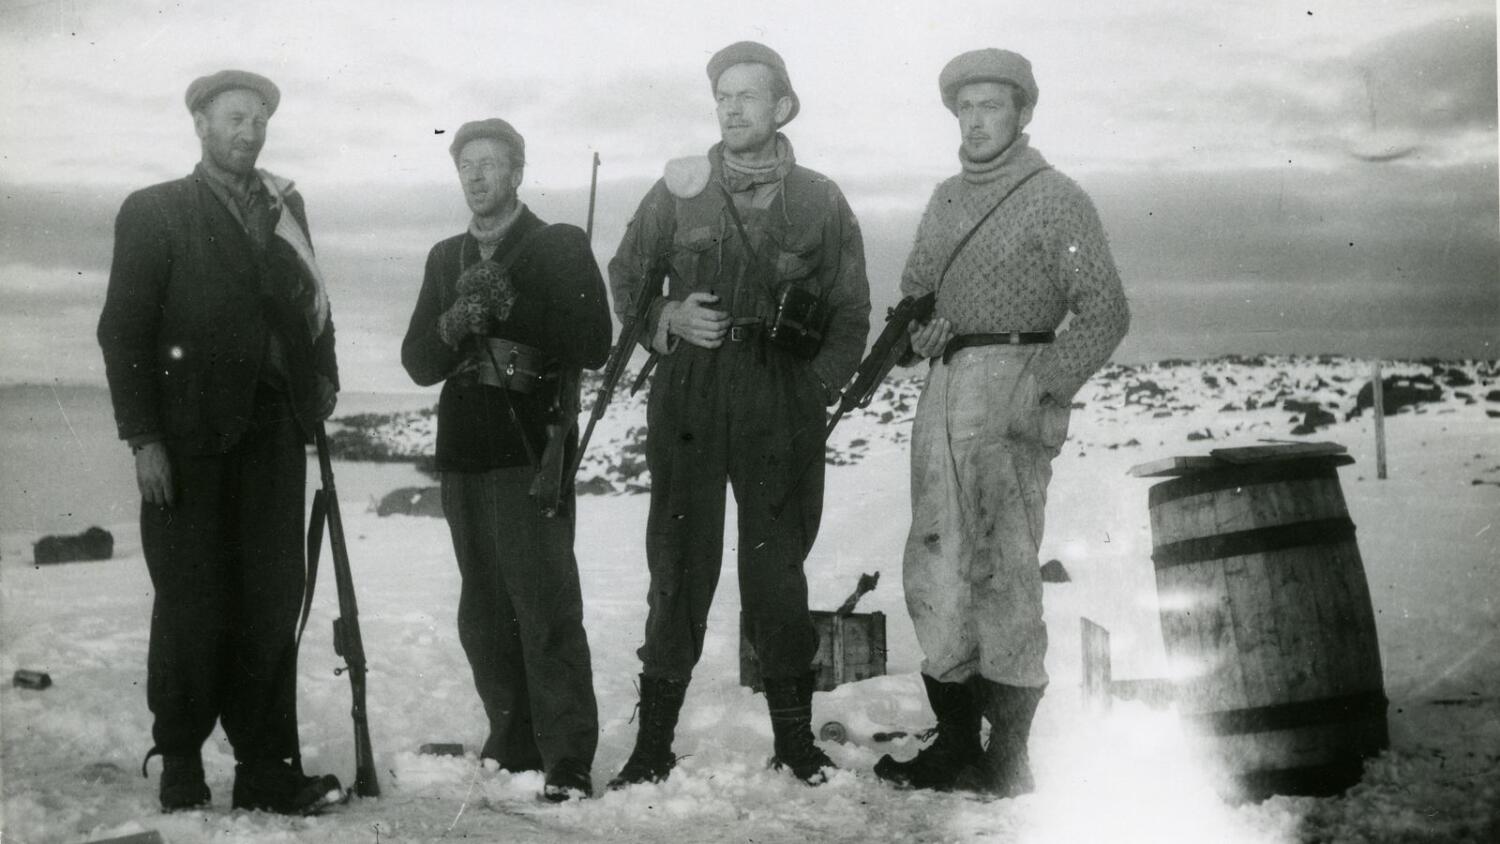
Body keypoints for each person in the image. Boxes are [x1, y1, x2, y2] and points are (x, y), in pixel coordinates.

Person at [607, 41, 871, 788]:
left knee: (776, 568)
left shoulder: (820, 198)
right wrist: (665, 315)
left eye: (748, 94)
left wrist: (812, 388)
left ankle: (794, 742)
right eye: (723, 94)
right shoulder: (679, 190)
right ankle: (652, 746)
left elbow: (851, 308)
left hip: (778, 394)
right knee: (678, 565)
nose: (731, 106)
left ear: (782, 107)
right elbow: (627, 275)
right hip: (691, 389)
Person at [873, 48, 1130, 797]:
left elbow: (1105, 311)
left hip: (1016, 387)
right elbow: (918, 293)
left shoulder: (1057, 198)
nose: (977, 120)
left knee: (1005, 569)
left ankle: (1009, 757)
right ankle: (956, 745)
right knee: (934, 564)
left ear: (1022, 112)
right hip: (946, 389)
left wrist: (1043, 386)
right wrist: (920, 341)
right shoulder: (946, 199)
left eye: (992, 106)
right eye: (965, 108)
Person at [97, 69, 345, 815]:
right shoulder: (155, 210)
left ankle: (266, 768)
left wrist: (322, 380)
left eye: (259, 119)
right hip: (188, 441)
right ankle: (180, 763)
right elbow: (124, 333)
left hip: (273, 434)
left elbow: (315, 308)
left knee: (271, 601)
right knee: (191, 603)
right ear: (201, 123)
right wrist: (143, 439)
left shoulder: (285, 207)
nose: (250, 131)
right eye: (234, 117)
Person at [401, 118, 611, 802]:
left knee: (544, 604)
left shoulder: (557, 245)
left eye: (491, 163)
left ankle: (568, 756)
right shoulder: (443, 257)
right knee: (483, 611)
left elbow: (593, 341)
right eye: (467, 164)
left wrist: (513, 303)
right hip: (463, 448)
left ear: (517, 172)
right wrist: (457, 319)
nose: (477, 175)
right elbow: (418, 364)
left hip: (530, 445)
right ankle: (514, 737)